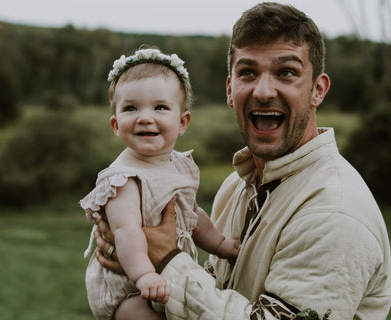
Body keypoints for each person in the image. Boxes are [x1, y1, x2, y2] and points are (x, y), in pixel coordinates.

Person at [94, 3, 391, 319]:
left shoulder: (334, 213)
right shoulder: (236, 186)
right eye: (248, 72)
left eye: (286, 72)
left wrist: (166, 261)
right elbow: (217, 292)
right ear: (230, 89)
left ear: (317, 90)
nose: (263, 91)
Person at [80, 47, 241, 320]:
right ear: (116, 124)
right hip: (129, 289)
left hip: (166, 278)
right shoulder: (123, 178)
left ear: (182, 122)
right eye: (131, 108)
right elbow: (125, 232)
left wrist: (222, 245)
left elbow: (193, 216)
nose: (145, 117)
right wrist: (144, 276)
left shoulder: (177, 166)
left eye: (160, 107)